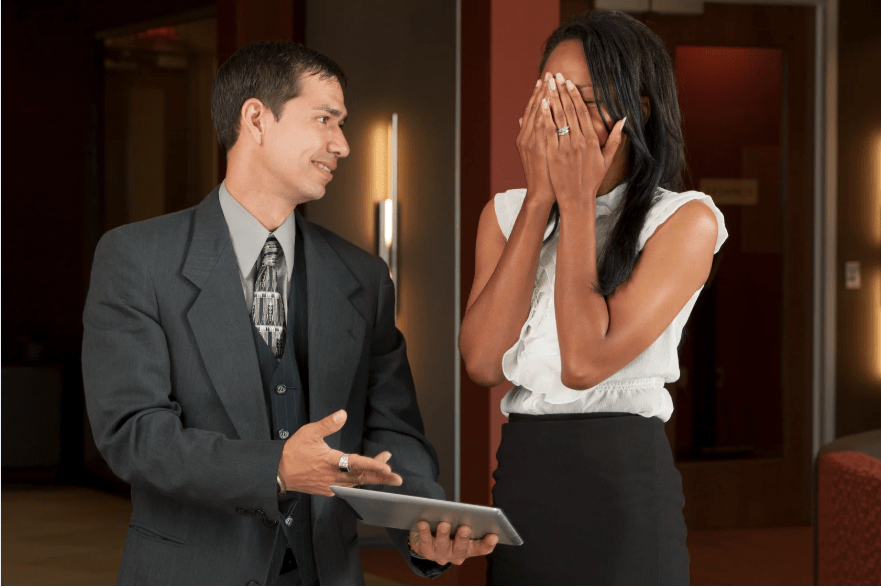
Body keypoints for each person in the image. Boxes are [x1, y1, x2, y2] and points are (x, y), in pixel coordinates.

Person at [83, 41, 495, 586]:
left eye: (343, 124)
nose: (342, 145)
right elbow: (133, 435)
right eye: (325, 119)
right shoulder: (138, 258)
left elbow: (393, 431)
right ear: (256, 118)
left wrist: (422, 520)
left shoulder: (364, 277)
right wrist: (274, 467)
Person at [460, 10, 727, 585]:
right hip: (525, 476)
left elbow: (584, 362)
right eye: (551, 96)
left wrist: (577, 202)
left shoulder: (684, 220)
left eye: (582, 98)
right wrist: (539, 201)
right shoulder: (504, 214)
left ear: (639, 110)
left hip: (622, 483)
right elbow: (482, 362)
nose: (562, 118)